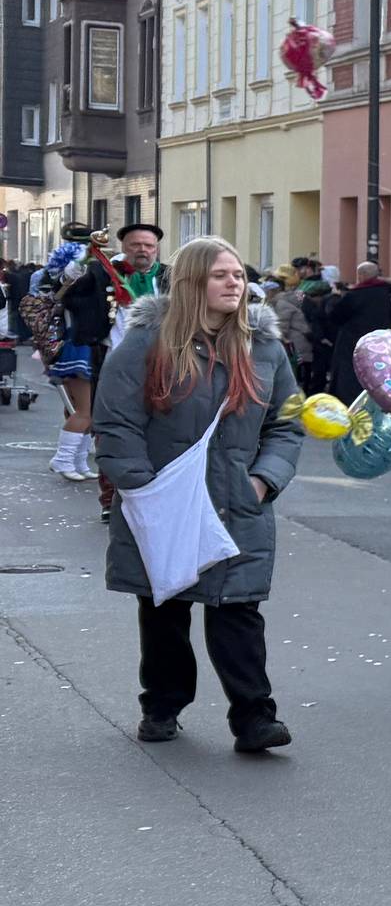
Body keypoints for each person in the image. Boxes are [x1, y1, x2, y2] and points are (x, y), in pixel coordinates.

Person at [97, 237, 304, 752]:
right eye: (221, 275)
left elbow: (287, 423)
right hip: (165, 502)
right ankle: (162, 706)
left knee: (239, 609)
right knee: (165, 611)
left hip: (238, 503)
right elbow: (117, 422)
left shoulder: (264, 347)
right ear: (191, 283)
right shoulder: (147, 343)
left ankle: (255, 718)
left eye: (239, 275)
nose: (235, 283)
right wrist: (142, 488)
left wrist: (264, 480)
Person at [49, 223, 162, 484]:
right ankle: (87, 468)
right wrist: (76, 267)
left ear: (156, 249)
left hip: (154, 359)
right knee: (96, 413)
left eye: (149, 246)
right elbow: (66, 290)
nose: (143, 250)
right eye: (136, 245)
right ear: (124, 247)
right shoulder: (103, 271)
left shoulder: (166, 276)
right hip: (106, 356)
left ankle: (82, 461)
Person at [325, 261, 391, 403]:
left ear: (361, 275)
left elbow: (335, 316)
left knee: (352, 379)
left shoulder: (354, 295)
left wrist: (334, 298)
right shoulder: (389, 293)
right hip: (381, 343)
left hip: (353, 343)